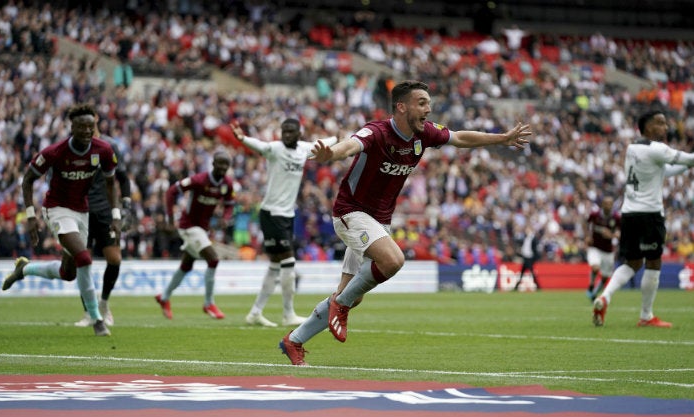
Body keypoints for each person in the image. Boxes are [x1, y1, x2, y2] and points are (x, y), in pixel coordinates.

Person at [279, 80, 531, 365]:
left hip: (379, 221)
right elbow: (350, 144)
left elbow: (460, 138)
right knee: (393, 261)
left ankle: (294, 340)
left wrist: (501, 138)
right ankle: (340, 305)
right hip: (352, 213)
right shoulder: (378, 131)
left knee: (351, 294)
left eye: (428, 103)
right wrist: (331, 153)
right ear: (402, 107)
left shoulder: (425, 134)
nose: (428, 108)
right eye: (421, 102)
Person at [1, 103, 119, 337]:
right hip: (56, 209)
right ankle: (96, 318)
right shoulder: (55, 152)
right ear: (71, 127)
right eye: (81, 126)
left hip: (81, 211)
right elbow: (27, 180)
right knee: (84, 257)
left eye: (90, 126)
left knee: (69, 273)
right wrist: (31, 216)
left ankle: (24, 269)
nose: (87, 131)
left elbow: (110, 183)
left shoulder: (103, 150)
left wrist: (115, 215)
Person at [230, 119, 338, 327]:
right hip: (271, 214)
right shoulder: (275, 149)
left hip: (287, 215)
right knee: (288, 262)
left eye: (291, 131)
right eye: (284, 131)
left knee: (275, 265)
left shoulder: (303, 149)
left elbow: (322, 143)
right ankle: (288, 313)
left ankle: (255, 312)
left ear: (299, 133)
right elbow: (259, 145)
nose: (286, 135)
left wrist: (337, 138)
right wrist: (242, 138)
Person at [592, 110, 694, 328]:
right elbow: (687, 159)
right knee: (653, 262)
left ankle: (605, 297)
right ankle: (646, 315)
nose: (665, 127)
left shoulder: (633, 148)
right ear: (647, 126)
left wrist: (687, 165)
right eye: (660, 123)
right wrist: (689, 162)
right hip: (650, 215)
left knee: (632, 262)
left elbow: (663, 172)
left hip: (629, 214)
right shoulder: (657, 149)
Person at [154, 150, 235, 320]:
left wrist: (226, 218)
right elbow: (171, 191)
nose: (222, 167)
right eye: (220, 163)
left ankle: (165, 296)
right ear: (213, 163)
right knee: (213, 259)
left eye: (226, 164)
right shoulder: (199, 180)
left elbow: (229, 204)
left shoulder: (227, 184)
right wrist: (170, 217)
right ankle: (209, 303)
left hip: (202, 229)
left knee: (187, 265)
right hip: (188, 226)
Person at [74, 117, 132, 328]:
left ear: (96, 119)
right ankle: (89, 311)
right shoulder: (72, 147)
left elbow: (123, 177)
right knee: (82, 261)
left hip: (105, 210)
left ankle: (104, 304)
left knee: (114, 259)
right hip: (80, 209)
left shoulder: (109, 146)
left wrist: (126, 205)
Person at [584, 196, 620, 302]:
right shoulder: (595, 215)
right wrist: (587, 236)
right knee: (595, 268)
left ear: (612, 205)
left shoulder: (616, 217)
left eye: (610, 204)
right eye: (606, 203)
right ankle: (591, 285)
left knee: (605, 277)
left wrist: (612, 235)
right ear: (602, 205)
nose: (608, 206)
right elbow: (586, 224)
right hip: (594, 247)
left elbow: (619, 232)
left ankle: (594, 293)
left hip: (608, 251)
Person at [513, 226, 542, 291]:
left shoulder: (533, 238)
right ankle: (537, 286)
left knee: (528, 272)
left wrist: (535, 258)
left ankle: (538, 286)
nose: (526, 231)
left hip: (529, 258)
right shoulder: (525, 238)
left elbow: (535, 249)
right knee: (523, 272)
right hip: (525, 257)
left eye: (527, 229)